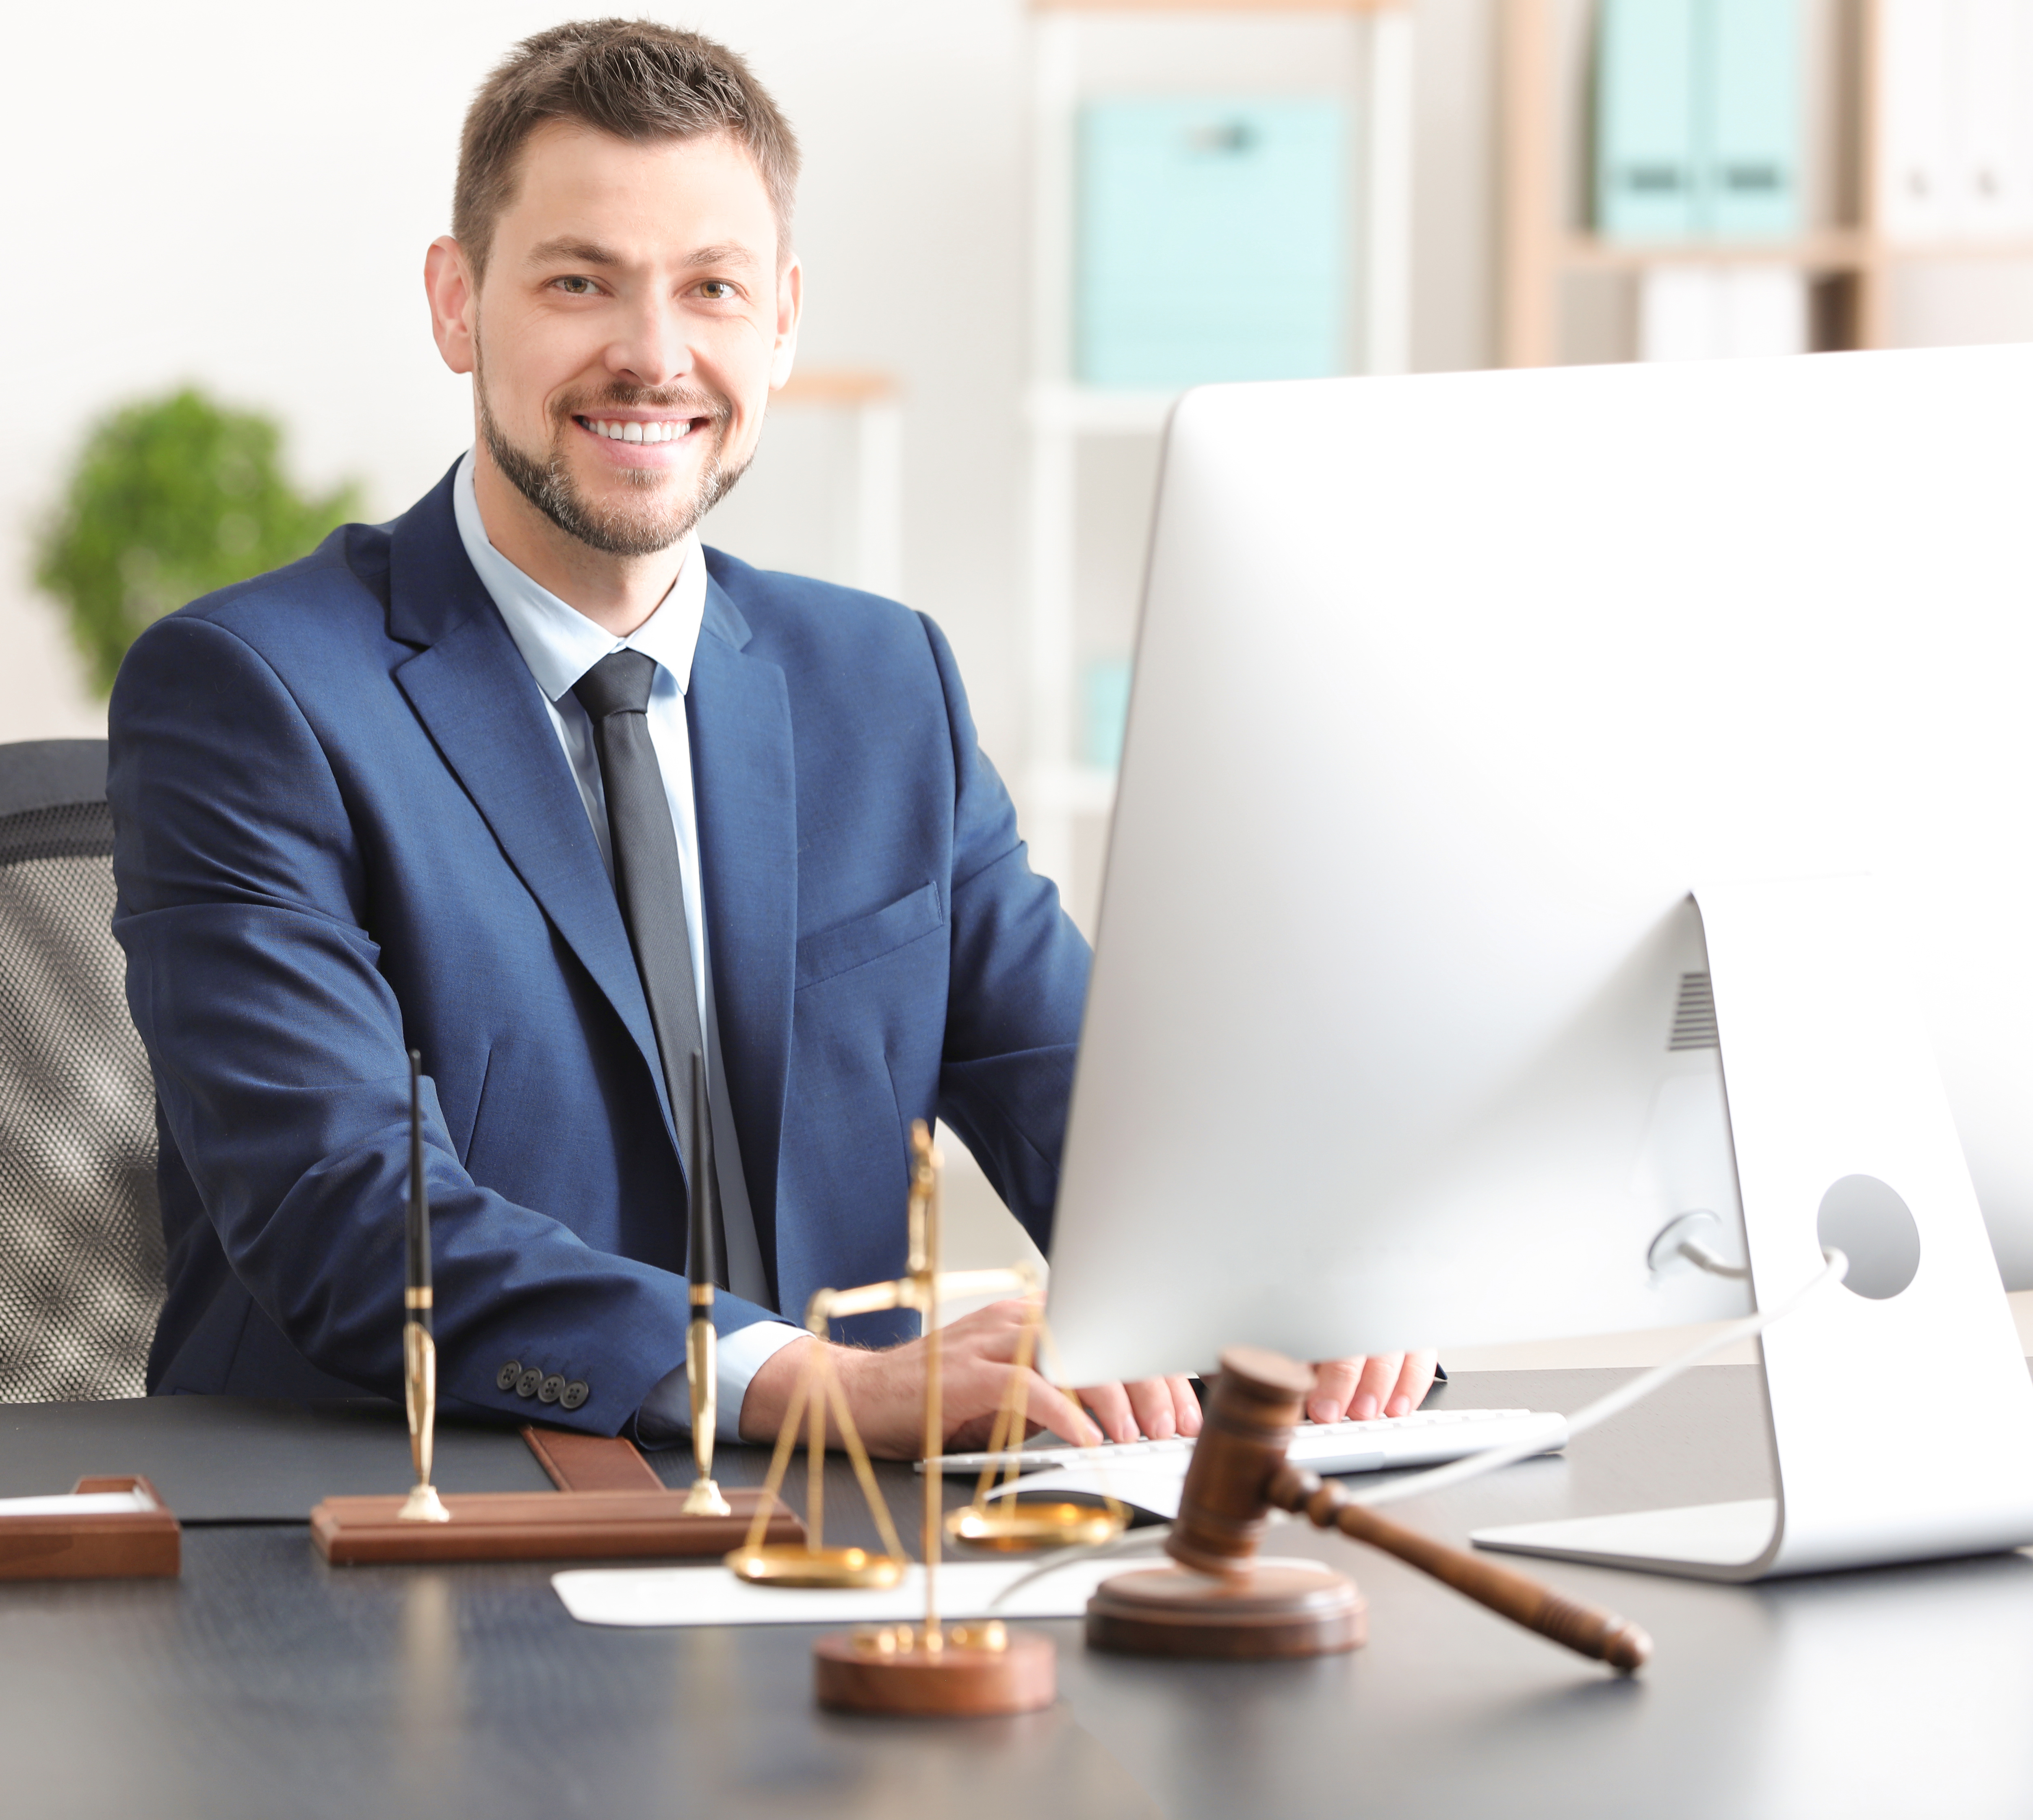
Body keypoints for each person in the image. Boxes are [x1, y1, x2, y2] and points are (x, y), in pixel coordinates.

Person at [108, 17, 1434, 1456]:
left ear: (783, 320)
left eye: (713, 289)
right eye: (579, 282)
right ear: (457, 303)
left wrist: (1291, 1278)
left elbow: (1092, 1101)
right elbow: (343, 1212)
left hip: (834, 1551)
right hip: (398, 1535)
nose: (653, 355)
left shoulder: (882, 682)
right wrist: (806, 1381)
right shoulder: (252, 694)